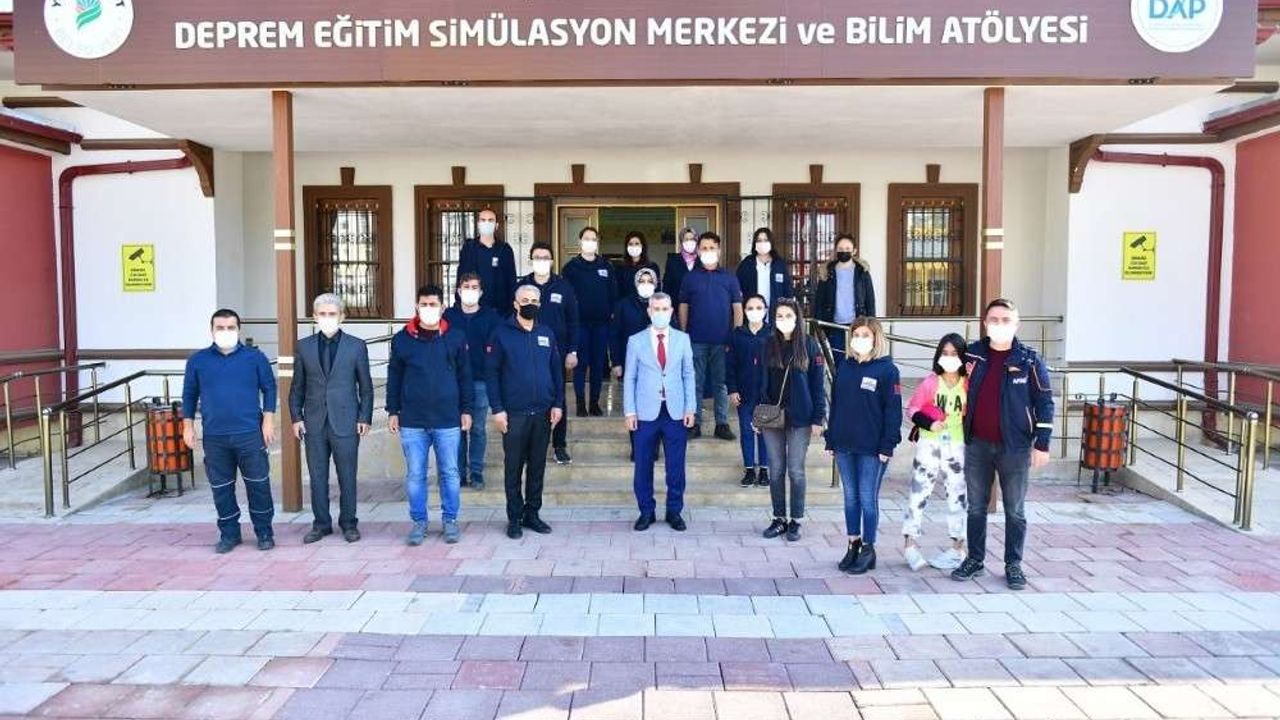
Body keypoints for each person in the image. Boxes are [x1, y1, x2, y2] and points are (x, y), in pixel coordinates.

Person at [951, 299, 1054, 591]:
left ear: (1016, 324)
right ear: (985, 323)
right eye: (994, 319)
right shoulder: (972, 355)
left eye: (1005, 319)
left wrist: (1042, 443)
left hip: (1015, 448)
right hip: (977, 445)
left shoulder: (1029, 360)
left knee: (1015, 510)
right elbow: (950, 383)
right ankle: (975, 559)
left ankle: (1013, 564)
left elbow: (1045, 402)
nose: (999, 324)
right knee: (976, 507)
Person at [181, 309, 277, 554]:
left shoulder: (255, 358)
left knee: (258, 485)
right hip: (215, 436)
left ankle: (264, 532)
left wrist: (268, 420)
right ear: (212, 330)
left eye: (230, 327)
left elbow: (269, 388)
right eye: (220, 328)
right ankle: (229, 534)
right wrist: (188, 426)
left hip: (250, 433)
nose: (225, 332)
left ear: (239, 329)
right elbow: (189, 395)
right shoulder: (198, 361)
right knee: (222, 489)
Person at [387, 285, 474, 546]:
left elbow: (465, 376)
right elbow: (394, 377)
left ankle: (450, 520)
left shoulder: (455, 337)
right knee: (416, 475)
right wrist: (393, 410)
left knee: (450, 473)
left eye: (433, 305)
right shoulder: (402, 340)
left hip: (447, 419)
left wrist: (467, 409)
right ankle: (419, 522)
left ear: (442, 307)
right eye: (423, 305)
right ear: (417, 307)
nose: (428, 309)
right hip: (413, 421)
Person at [289, 293, 374, 545]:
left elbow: (366, 387)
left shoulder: (356, 346)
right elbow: (297, 386)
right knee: (317, 477)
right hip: (314, 421)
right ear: (315, 317)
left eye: (332, 314)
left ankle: (349, 523)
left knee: (347, 475)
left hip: (346, 421)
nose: (327, 318)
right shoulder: (303, 346)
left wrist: (365, 416)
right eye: (323, 314)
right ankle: (321, 524)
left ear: (342, 316)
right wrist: (296, 417)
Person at [487, 284, 566, 539]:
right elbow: (492, 374)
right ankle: (514, 518)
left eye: (534, 300)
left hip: (542, 413)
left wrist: (558, 403)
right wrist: (498, 409)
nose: (530, 304)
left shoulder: (547, 333)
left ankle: (532, 514)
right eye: (525, 300)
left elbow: (557, 372)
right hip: (514, 415)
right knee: (513, 469)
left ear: (540, 304)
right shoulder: (501, 334)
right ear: (515, 303)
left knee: (537, 468)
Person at [826, 317, 901, 576]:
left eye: (865, 335)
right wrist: (831, 438)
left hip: (872, 448)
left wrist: (887, 445)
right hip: (844, 445)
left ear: (876, 338)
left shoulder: (887, 370)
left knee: (868, 498)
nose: (859, 339)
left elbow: (893, 411)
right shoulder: (844, 367)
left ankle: (869, 548)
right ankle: (853, 543)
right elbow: (836, 405)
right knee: (851, 498)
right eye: (856, 334)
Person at [623, 292, 697, 532]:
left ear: (672, 311)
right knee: (642, 466)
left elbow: (688, 374)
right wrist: (630, 412)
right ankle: (646, 512)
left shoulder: (682, 339)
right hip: (645, 413)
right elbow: (630, 377)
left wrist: (690, 407)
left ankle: (674, 511)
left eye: (665, 309)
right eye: (656, 309)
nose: (660, 313)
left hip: (675, 412)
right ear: (649, 311)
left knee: (676, 468)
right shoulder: (636, 341)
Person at [756, 298, 826, 542]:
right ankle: (779, 518)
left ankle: (796, 520)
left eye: (788, 316)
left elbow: (818, 385)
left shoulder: (809, 345)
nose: (784, 320)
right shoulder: (767, 344)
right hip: (772, 417)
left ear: (797, 318)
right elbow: (760, 382)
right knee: (775, 470)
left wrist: (818, 417)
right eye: (779, 316)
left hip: (801, 418)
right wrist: (758, 415)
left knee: (796, 470)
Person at [902, 333, 969, 571]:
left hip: (957, 445)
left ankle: (957, 548)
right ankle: (910, 545)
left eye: (954, 353)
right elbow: (912, 409)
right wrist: (929, 423)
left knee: (958, 495)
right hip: (930, 443)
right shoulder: (931, 382)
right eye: (945, 353)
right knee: (919, 492)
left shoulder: (968, 384)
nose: (949, 357)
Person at [517, 243, 579, 465]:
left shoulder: (563, 286)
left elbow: (573, 321)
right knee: (528, 397)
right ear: (530, 260)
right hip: (526, 352)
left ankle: (559, 445)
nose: (541, 261)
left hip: (557, 352)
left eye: (545, 257)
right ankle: (528, 446)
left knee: (557, 397)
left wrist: (572, 350)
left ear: (552, 261)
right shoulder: (522, 286)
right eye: (537, 257)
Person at [677, 231, 743, 441]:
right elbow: (683, 306)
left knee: (721, 384)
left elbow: (738, 309)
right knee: (694, 382)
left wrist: (735, 337)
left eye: (711, 248)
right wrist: (683, 335)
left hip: (723, 341)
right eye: (704, 248)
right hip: (695, 340)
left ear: (719, 250)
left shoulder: (729, 278)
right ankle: (694, 423)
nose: (708, 251)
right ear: (698, 251)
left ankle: (721, 424)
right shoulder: (690, 277)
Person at [444, 273, 502, 491]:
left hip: (480, 381)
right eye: (466, 286)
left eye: (474, 287)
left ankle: (476, 472)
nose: (470, 290)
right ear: (459, 291)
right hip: (452, 382)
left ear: (481, 291)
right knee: (456, 429)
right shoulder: (448, 317)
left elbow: (496, 350)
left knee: (477, 428)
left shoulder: (491, 317)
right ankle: (458, 474)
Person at [561, 227, 617, 417]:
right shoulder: (571, 268)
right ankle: (580, 403)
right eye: (586, 238)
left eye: (593, 239)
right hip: (579, 325)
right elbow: (567, 296)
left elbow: (613, 294)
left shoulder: (606, 267)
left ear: (597, 242)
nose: (590, 242)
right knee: (580, 364)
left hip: (601, 325)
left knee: (598, 364)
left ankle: (594, 402)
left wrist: (611, 314)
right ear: (580, 241)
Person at [611, 268, 660, 461]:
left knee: (657, 407)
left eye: (650, 281)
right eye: (642, 281)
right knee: (634, 407)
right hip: (631, 363)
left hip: (657, 365)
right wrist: (616, 362)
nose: (646, 284)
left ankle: (654, 447)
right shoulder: (623, 305)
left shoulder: (661, 304)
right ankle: (637, 447)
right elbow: (615, 334)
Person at [725, 294, 771, 488]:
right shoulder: (737, 335)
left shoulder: (772, 334)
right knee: (746, 430)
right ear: (744, 311)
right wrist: (732, 389)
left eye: (759, 307)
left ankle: (764, 470)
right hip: (744, 393)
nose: (754, 312)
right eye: (750, 308)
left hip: (767, 394)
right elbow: (730, 365)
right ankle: (750, 469)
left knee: (765, 432)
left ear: (766, 310)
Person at [815, 234, 876, 358]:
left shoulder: (862, 272)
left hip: (858, 325)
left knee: (858, 359)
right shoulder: (826, 272)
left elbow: (870, 300)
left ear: (854, 251)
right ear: (836, 250)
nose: (844, 252)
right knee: (838, 361)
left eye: (847, 249)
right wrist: (819, 326)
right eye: (840, 249)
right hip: (833, 326)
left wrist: (871, 325)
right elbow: (819, 301)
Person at [457, 208, 518, 317]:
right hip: (473, 310)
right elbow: (461, 277)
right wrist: (459, 304)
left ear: (496, 225)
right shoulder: (468, 248)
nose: (486, 223)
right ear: (478, 224)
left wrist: (511, 310)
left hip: (500, 312)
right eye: (483, 220)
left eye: (490, 220)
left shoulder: (505, 249)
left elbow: (511, 280)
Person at [735, 227, 793, 312]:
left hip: (776, 312)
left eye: (766, 240)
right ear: (755, 243)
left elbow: (787, 291)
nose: (762, 243)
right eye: (759, 240)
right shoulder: (747, 264)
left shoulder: (779, 265)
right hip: (753, 312)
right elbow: (738, 289)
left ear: (771, 242)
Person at [616, 230, 662, 298]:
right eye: (630, 244)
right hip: (627, 303)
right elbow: (618, 291)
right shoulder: (620, 268)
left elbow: (657, 290)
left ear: (642, 246)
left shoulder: (652, 267)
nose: (634, 246)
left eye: (637, 243)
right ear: (626, 247)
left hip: (648, 303)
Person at [663, 227, 701, 306]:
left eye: (692, 239)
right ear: (681, 242)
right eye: (686, 239)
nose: (689, 242)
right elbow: (667, 287)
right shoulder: (672, 261)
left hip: (698, 307)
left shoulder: (702, 261)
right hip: (676, 306)